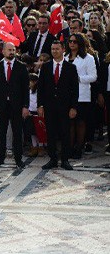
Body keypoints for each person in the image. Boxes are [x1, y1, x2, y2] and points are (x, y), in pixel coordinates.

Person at [38, 41, 79, 171]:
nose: (54, 51)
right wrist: (40, 105)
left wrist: (74, 107)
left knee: (65, 133)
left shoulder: (70, 67)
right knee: (51, 133)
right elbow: (41, 88)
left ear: (63, 50)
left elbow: (75, 89)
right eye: (52, 49)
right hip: (49, 106)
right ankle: (53, 159)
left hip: (65, 106)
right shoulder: (45, 67)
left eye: (57, 49)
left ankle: (65, 159)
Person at [0, 42, 30, 169]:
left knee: (17, 132)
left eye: (13, 50)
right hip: (1, 105)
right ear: (3, 51)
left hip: (17, 105)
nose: (12, 52)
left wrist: (25, 106)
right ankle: (0, 158)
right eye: (9, 50)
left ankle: (18, 159)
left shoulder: (21, 67)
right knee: (1, 132)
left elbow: (25, 89)